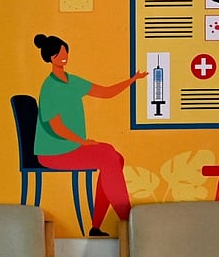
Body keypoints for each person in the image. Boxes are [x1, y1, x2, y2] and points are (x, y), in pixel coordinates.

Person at [32, 33, 146, 236]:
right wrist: (82, 142)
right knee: (109, 157)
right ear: (51, 57)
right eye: (60, 54)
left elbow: (105, 92)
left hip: (72, 146)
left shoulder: (71, 81)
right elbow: (55, 126)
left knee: (115, 157)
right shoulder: (49, 87)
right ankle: (129, 221)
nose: (64, 56)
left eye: (66, 52)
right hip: (53, 151)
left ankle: (96, 226)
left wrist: (132, 80)